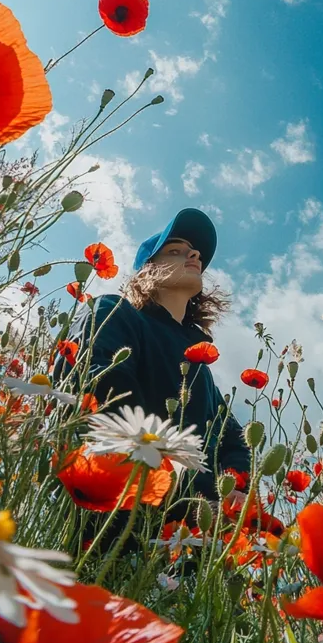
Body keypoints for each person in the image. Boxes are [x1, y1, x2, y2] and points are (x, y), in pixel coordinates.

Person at [64, 207, 250, 501]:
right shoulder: (116, 312)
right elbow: (94, 383)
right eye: (176, 250)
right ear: (148, 269)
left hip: (199, 532)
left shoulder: (199, 366)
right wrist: (187, 488)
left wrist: (233, 494)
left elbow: (235, 442)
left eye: (195, 253)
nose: (195, 256)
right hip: (115, 509)